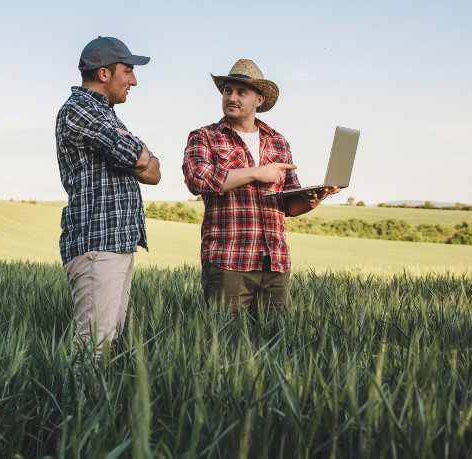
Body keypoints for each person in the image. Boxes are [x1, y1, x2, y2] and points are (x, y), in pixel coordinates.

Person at [182, 59, 338, 313]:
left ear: (260, 100)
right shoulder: (205, 136)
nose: (231, 97)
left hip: (275, 264)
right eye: (227, 91)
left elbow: (288, 206)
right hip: (228, 262)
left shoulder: (278, 142)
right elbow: (197, 178)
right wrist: (257, 173)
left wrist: (313, 199)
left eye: (241, 92)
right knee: (225, 348)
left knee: (275, 346)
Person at [55, 36, 160, 356]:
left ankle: (99, 407)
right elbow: (142, 159)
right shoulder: (81, 111)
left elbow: (154, 172)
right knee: (94, 348)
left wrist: (136, 153)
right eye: (127, 71)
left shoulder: (105, 114)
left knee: (107, 344)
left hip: (115, 243)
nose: (134, 80)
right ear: (104, 73)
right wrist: (136, 153)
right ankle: (80, 407)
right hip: (97, 244)